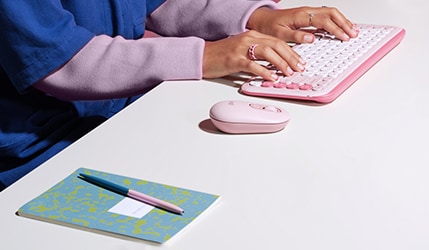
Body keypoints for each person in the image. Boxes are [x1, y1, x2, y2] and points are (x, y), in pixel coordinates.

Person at [0, 0, 358, 190]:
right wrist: (206, 55)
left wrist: (255, 17)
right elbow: (64, 65)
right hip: (40, 155)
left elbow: (161, 4)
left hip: (122, 115)